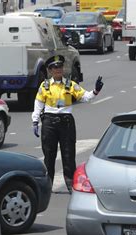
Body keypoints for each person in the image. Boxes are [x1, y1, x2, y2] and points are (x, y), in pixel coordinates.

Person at [31, 55, 104, 193]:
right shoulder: (45, 85)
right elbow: (38, 103)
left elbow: (85, 97)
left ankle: (71, 184)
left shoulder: (70, 84)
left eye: (60, 67)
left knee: (68, 154)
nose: (58, 70)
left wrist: (95, 91)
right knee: (49, 154)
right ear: (50, 70)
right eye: (54, 68)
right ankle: (48, 185)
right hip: (49, 122)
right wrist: (35, 121)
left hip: (66, 122)